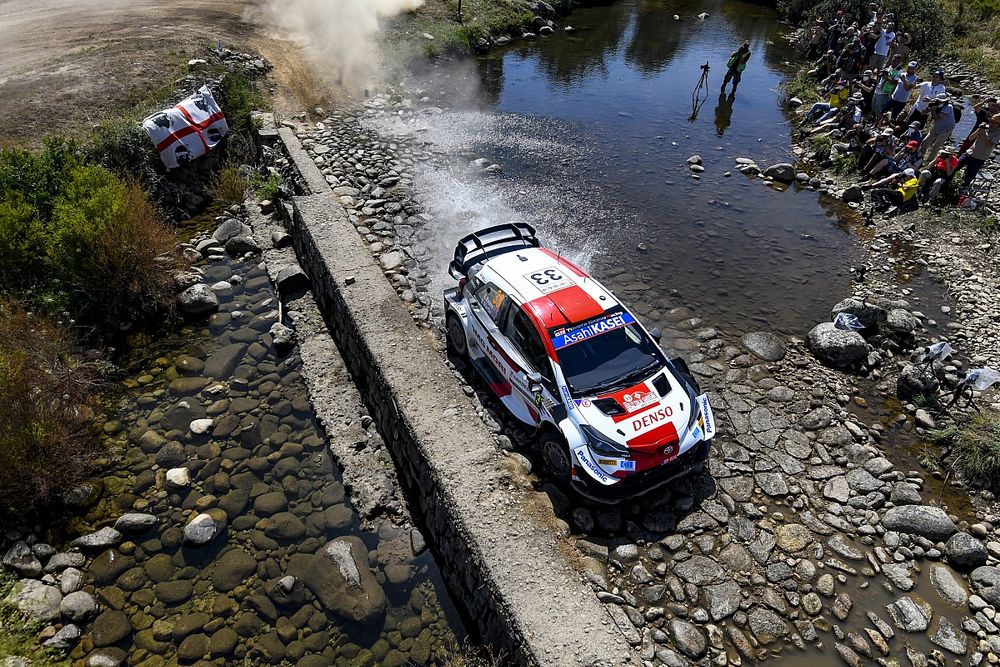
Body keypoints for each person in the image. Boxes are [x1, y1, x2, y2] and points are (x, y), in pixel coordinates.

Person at [955, 114, 1000, 188]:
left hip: (979, 158)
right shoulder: (984, 128)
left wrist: (983, 133)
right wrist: (979, 130)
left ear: (998, 124)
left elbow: (989, 145)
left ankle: (961, 191)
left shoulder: (998, 133)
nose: (991, 124)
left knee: (968, 177)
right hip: (969, 153)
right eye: (991, 121)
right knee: (954, 167)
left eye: (994, 123)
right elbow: (970, 138)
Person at [919, 93, 957, 164]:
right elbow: (924, 112)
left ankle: (930, 160)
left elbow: (937, 118)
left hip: (946, 129)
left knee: (936, 145)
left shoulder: (948, 107)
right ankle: (920, 154)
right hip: (937, 126)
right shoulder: (934, 103)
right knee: (926, 140)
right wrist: (928, 107)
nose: (940, 102)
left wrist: (933, 110)